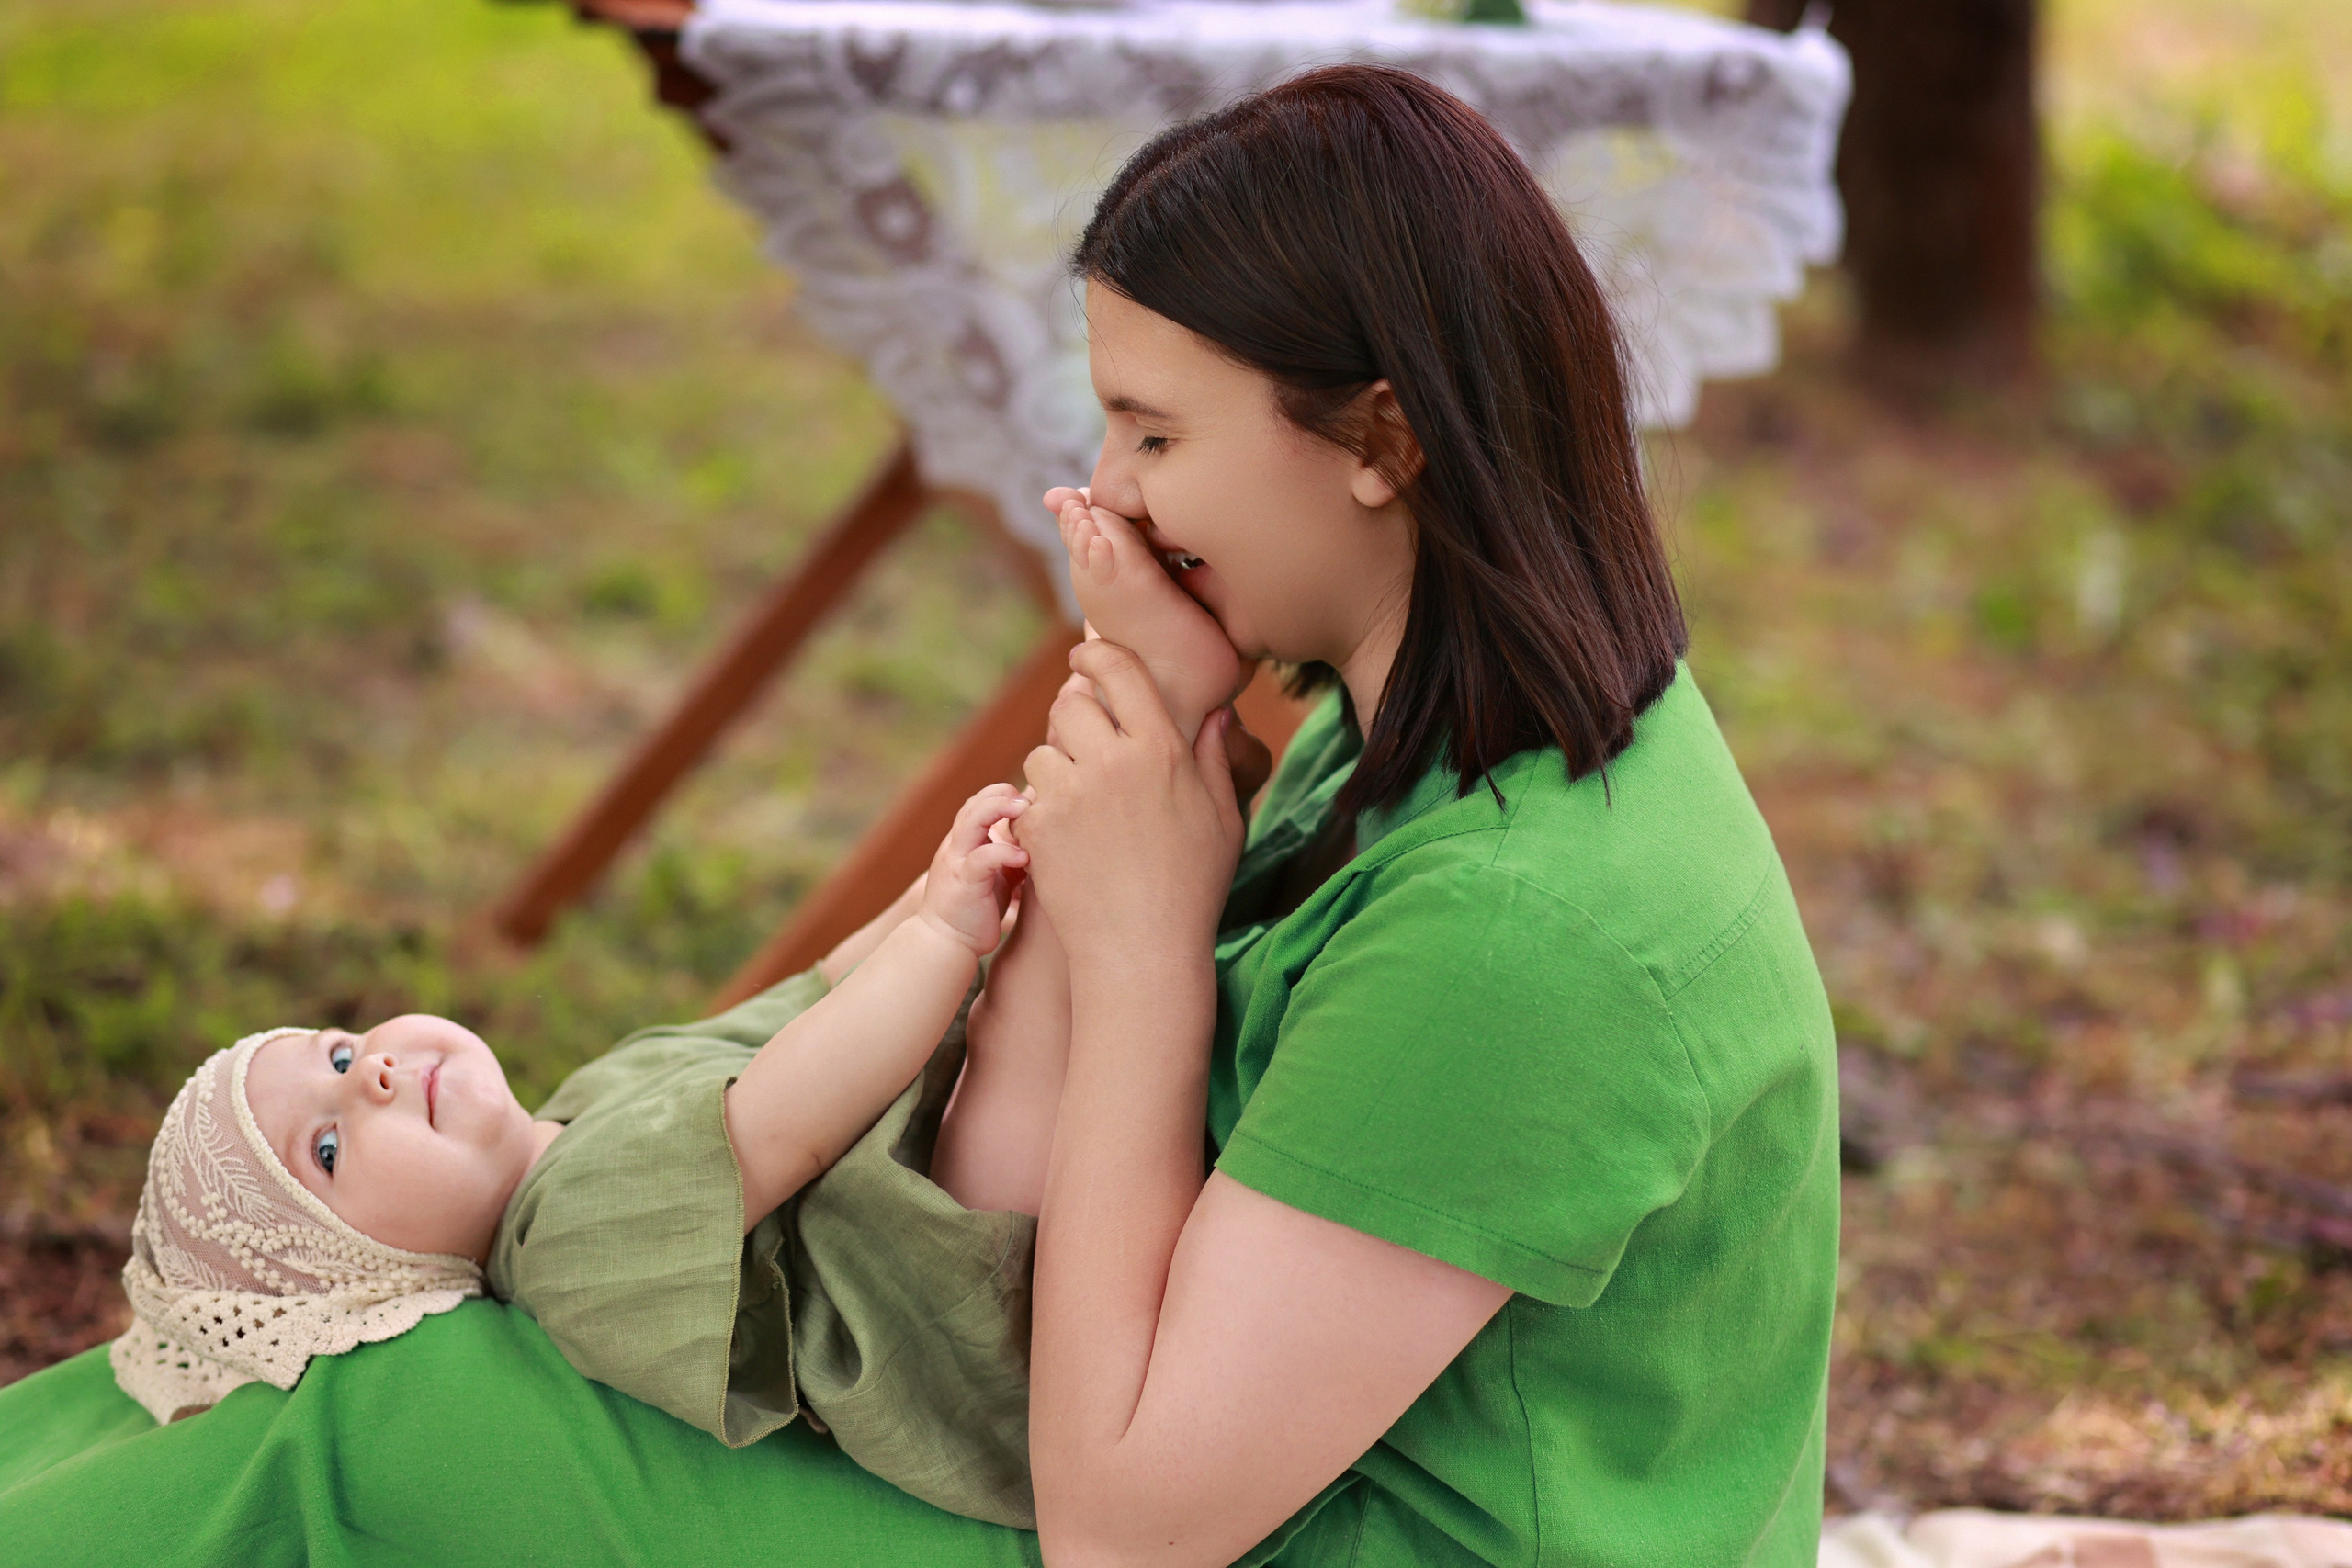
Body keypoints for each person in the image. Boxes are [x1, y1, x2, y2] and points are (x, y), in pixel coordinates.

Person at [0, 63, 1838, 1568]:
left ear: (1379, 441)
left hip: (1307, 1532)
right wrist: (1169, 740)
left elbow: (1128, 1531)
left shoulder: (1522, 928)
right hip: (1233, 1468)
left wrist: (1141, 946)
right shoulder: (1430, 716)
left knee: (399, 1430)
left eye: (1155, 434)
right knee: (386, 1377)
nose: (1107, 489)